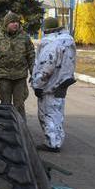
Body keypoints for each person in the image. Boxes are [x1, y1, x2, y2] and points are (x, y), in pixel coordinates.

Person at [31, 17, 76, 152]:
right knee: (58, 113)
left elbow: (46, 67)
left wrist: (38, 85)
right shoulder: (68, 41)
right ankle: (57, 139)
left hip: (49, 86)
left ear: (45, 29)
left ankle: (52, 143)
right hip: (62, 82)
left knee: (47, 114)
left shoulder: (51, 45)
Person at [0, 11, 35, 118]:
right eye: (12, 22)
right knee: (5, 105)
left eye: (17, 22)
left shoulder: (25, 37)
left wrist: (33, 72)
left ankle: (21, 129)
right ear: (6, 24)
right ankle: (5, 129)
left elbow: (31, 55)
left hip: (20, 77)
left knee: (19, 105)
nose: (16, 24)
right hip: (4, 77)